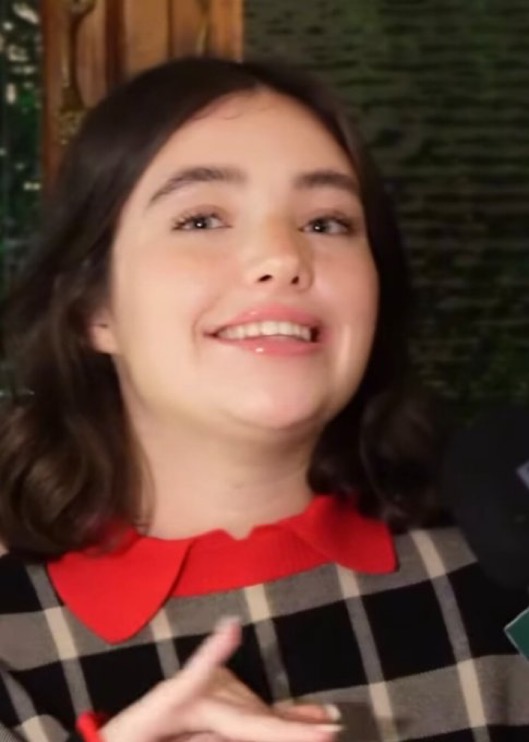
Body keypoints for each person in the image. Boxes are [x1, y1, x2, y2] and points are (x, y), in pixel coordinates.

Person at [0, 56, 527, 742]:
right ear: (92, 310)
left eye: (326, 223)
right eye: (201, 220)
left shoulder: (500, 570)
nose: (282, 257)